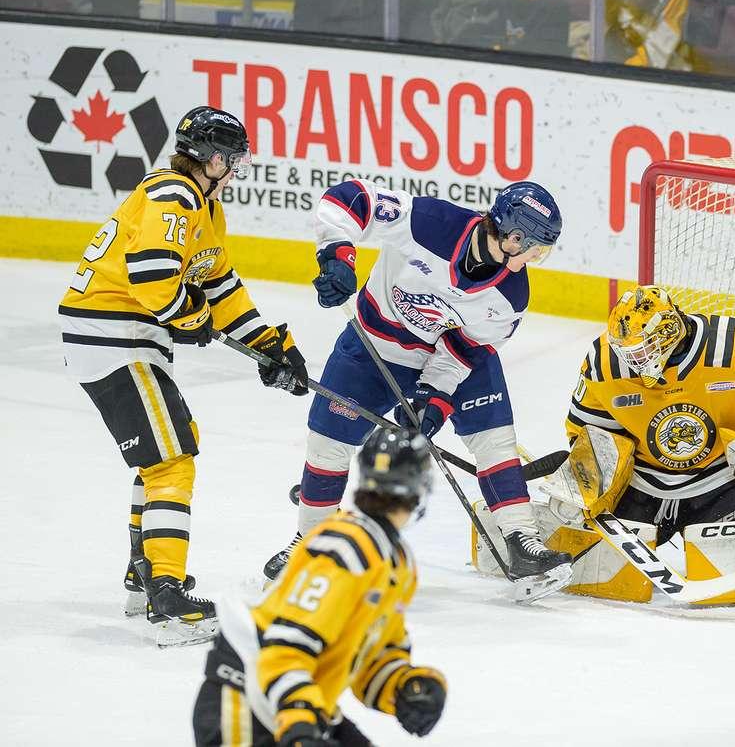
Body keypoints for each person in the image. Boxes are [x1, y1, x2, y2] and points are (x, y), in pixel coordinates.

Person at [58, 106, 308, 647]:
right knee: (173, 460)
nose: (236, 167)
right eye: (231, 158)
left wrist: (268, 342)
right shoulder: (172, 196)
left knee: (164, 453)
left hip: (121, 338)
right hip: (115, 338)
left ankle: (143, 575)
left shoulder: (204, 207)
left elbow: (219, 286)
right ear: (209, 157)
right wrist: (189, 318)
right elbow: (152, 281)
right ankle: (167, 597)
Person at [262, 178, 572, 596]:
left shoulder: (511, 296)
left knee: (494, 439)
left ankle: (521, 542)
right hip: (374, 347)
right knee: (327, 443)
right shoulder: (429, 223)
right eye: (534, 247)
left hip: (447, 360)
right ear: (513, 235)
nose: (536, 257)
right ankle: (312, 545)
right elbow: (350, 197)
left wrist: (433, 396)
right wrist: (337, 255)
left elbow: (467, 348)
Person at [193, 427, 446, 746]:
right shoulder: (345, 549)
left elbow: (371, 656)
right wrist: (299, 720)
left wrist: (404, 687)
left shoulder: (395, 561)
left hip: (296, 703)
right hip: (249, 701)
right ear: (421, 487)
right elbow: (286, 646)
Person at [563, 285, 735, 547]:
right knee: (604, 571)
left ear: (667, 333)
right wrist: (587, 474)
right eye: (625, 352)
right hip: (640, 487)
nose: (631, 361)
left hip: (718, 484)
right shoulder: (604, 363)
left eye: (640, 350)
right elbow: (587, 435)